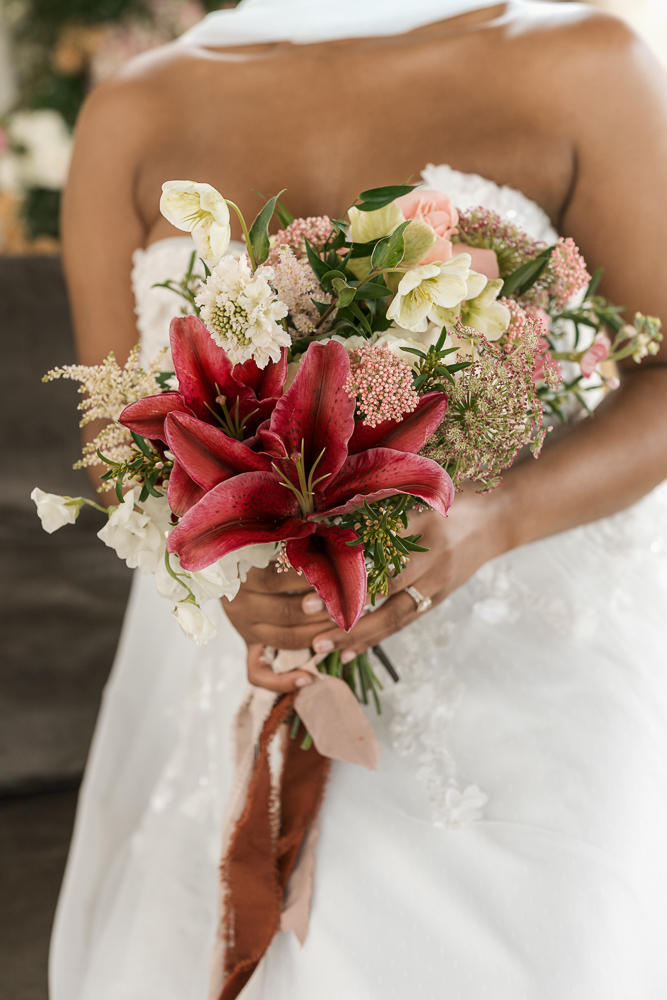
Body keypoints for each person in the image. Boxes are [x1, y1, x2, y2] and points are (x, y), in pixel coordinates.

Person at [51, 1, 667, 998]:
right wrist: (234, 570)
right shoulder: (134, 109)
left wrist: (490, 520)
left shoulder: (581, 63)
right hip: (238, 667)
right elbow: (114, 435)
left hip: (529, 683)